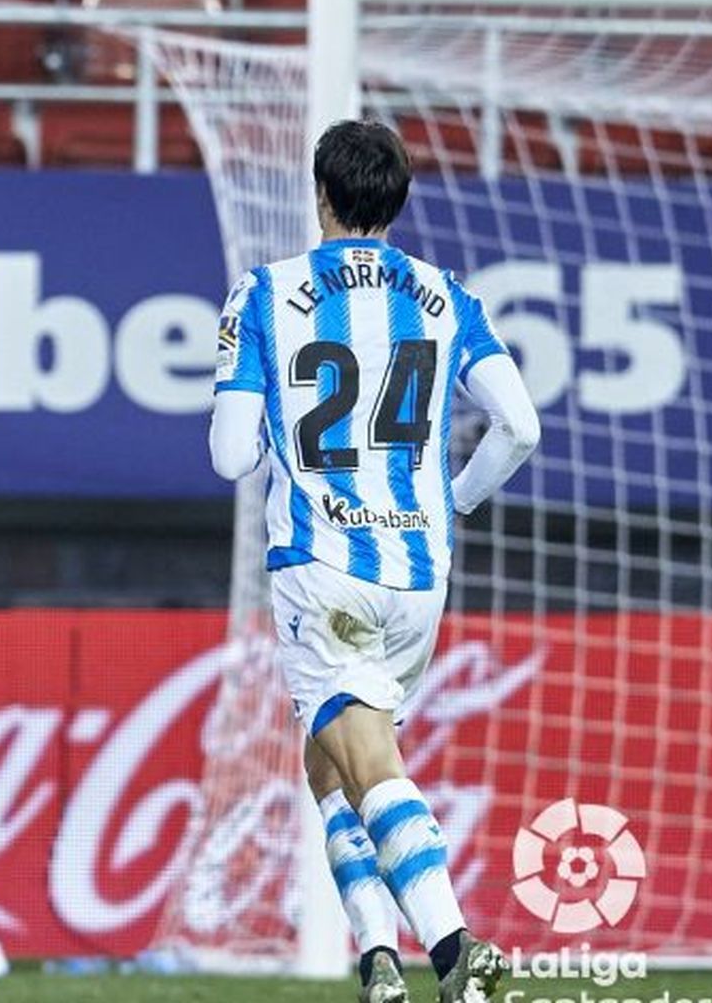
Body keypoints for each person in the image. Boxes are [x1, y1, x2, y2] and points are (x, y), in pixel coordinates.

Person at [208, 119, 540, 1003]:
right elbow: (523, 427)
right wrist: (456, 498)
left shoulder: (266, 293)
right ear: (396, 203)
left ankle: (452, 943)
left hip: (322, 564)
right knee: (335, 758)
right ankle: (376, 961)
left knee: (367, 762)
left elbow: (231, 455)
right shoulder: (445, 295)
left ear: (320, 193)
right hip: (418, 576)